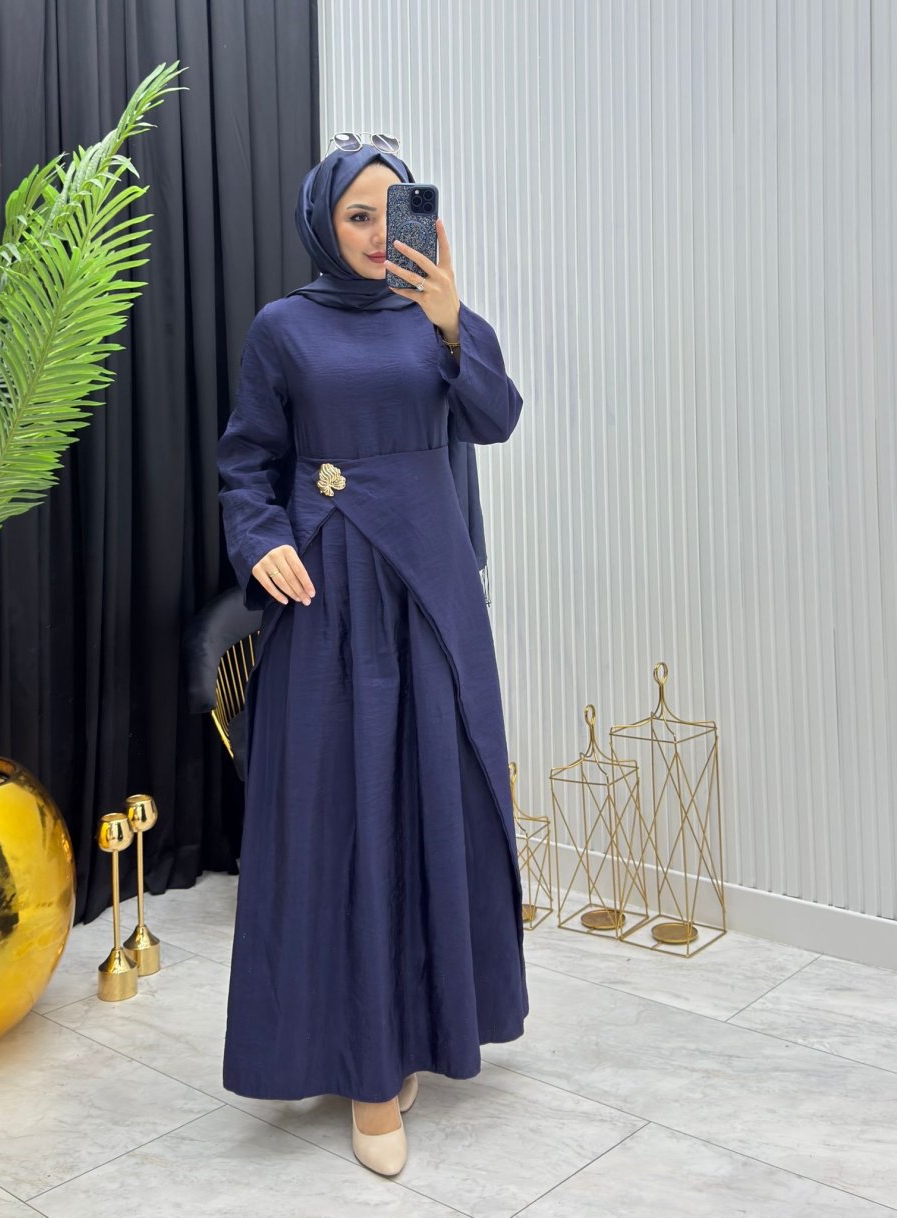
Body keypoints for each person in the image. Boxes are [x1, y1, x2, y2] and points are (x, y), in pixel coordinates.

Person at [217, 135, 528, 1178]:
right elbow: (246, 463)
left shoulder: (435, 316)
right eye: (357, 214)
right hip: (330, 589)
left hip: (430, 589)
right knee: (339, 814)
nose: (374, 233)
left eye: (390, 213)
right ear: (323, 221)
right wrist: (261, 540)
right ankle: (362, 1064)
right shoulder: (283, 328)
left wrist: (452, 322)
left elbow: (495, 418)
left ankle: (419, 1026)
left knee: (434, 800)